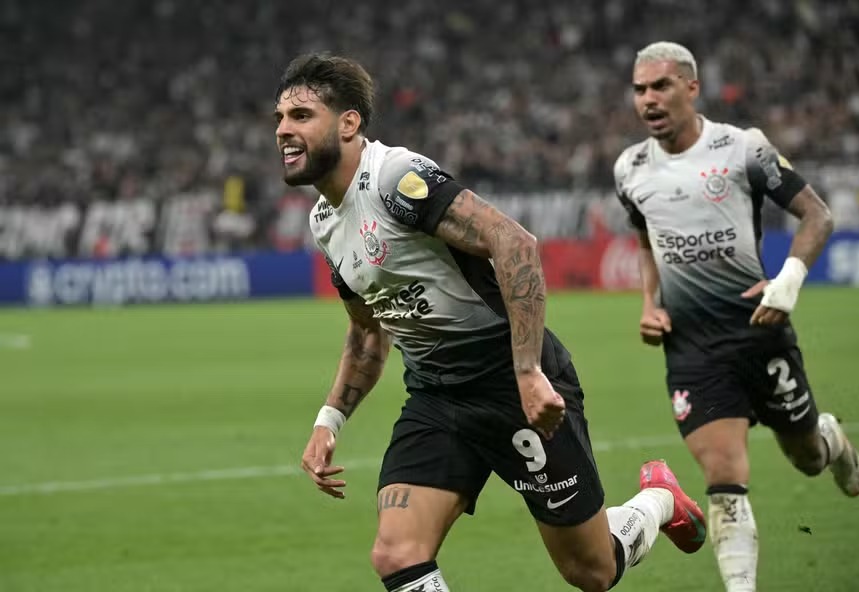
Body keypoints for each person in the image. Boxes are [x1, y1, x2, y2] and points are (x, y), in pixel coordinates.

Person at [278, 53, 707, 592]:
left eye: (300, 116)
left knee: (591, 571)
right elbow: (368, 331)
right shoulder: (324, 221)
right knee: (396, 553)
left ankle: (657, 500)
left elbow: (515, 244)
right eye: (280, 118)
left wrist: (528, 372)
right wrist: (329, 420)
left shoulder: (394, 179)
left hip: (512, 385)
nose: (283, 131)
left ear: (348, 123)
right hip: (437, 398)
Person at [613, 41, 859, 592]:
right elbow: (645, 243)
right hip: (692, 347)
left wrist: (786, 284)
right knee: (724, 479)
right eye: (640, 89)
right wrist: (649, 304)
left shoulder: (743, 148)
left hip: (759, 330)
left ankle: (830, 439)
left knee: (805, 457)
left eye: (661, 86)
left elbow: (817, 217)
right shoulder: (629, 168)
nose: (649, 99)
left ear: (692, 87)